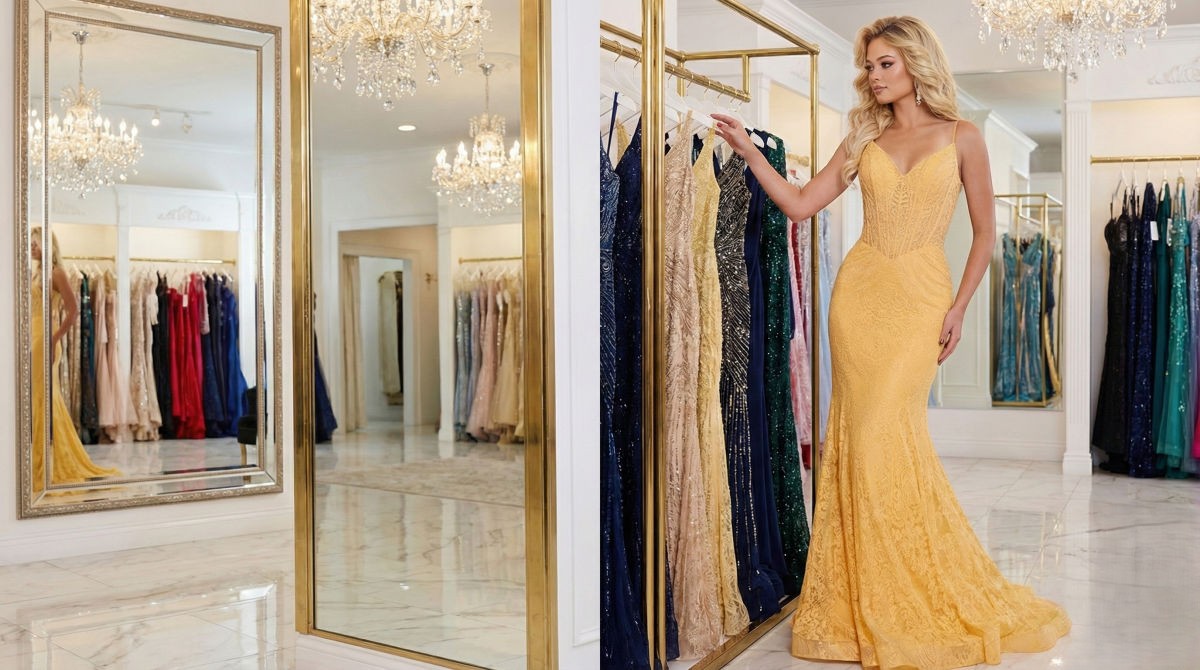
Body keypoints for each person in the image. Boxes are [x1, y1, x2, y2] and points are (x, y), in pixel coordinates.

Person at [713, 16, 1069, 669]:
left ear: (915, 64)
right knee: (861, 439)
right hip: (861, 295)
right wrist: (750, 152)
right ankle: (862, 595)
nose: (873, 77)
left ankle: (910, 588)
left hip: (921, 298)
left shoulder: (964, 137)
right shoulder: (863, 137)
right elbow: (799, 204)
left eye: (884, 65)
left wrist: (959, 307)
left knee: (884, 431)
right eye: (870, 67)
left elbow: (986, 233)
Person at [30, 228, 121, 494]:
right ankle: (39, 458)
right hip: (32, 338)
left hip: (45, 340)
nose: (32, 248)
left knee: (45, 398)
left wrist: (54, 337)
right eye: (31, 244)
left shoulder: (56, 273)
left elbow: (73, 310)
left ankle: (52, 462)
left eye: (35, 244)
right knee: (40, 399)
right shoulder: (35, 272)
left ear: (47, 246)